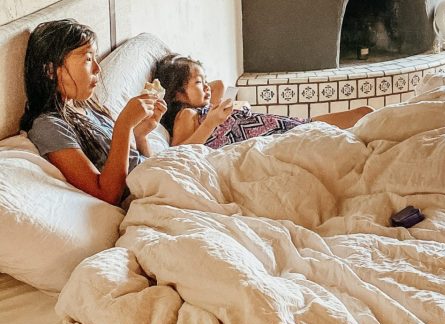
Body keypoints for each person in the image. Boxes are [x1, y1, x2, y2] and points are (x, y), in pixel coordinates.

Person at [20, 19, 166, 205]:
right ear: (50, 70)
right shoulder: (48, 126)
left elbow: (135, 162)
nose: (97, 68)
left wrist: (140, 135)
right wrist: (124, 124)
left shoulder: (88, 108)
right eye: (88, 59)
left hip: (156, 179)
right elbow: (107, 194)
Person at [154, 54, 370, 147]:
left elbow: (219, 85)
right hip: (269, 134)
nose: (208, 87)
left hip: (270, 125)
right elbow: (179, 151)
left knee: (340, 120)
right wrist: (211, 122)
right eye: (199, 83)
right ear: (177, 94)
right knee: (350, 120)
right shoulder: (186, 115)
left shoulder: (202, 107)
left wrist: (202, 89)